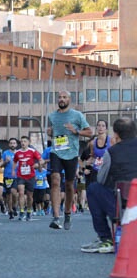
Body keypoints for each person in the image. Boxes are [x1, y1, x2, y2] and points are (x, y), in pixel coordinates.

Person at [82, 117, 137, 253]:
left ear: (116, 134)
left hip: (124, 206)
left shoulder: (111, 152)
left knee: (94, 188)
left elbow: (101, 179)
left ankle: (106, 239)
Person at [45, 90, 92, 230]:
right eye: (59, 97)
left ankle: (67, 214)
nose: (61, 99)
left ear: (69, 100)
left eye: (64, 97)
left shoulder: (77, 115)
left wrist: (76, 131)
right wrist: (50, 132)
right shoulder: (52, 116)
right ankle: (56, 217)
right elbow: (52, 131)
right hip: (56, 152)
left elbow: (90, 132)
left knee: (69, 185)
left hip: (71, 153)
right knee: (55, 180)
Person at [13, 136, 43, 221]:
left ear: (28, 143)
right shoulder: (18, 152)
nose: (23, 143)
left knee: (30, 196)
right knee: (21, 193)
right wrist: (13, 171)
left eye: (25, 141)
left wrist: (38, 165)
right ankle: (22, 211)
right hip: (20, 175)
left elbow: (41, 160)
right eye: (22, 141)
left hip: (30, 176)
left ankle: (29, 211)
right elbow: (15, 162)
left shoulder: (33, 151)